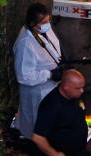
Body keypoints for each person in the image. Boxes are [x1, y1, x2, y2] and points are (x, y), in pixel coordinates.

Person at [13, 3, 64, 140]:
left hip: (51, 89)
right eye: (44, 22)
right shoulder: (25, 43)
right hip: (37, 94)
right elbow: (24, 76)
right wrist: (49, 74)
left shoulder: (42, 29)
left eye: (48, 20)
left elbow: (52, 47)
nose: (47, 24)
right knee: (37, 128)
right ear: (32, 24)